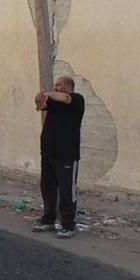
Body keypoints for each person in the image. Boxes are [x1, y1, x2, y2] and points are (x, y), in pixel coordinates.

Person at [32, 76, 85, 239]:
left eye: (59, 85)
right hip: (48, 153)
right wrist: (39, 99)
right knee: (47, 188)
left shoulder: (77, 100)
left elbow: (65, 98)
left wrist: (48, 93)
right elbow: (40, 106)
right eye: (55, 85)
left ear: (68, 86)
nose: (56, 87)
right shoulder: (54, 102)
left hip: (66, 155)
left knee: (67, 191)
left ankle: (68, 225)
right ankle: (48, 219)